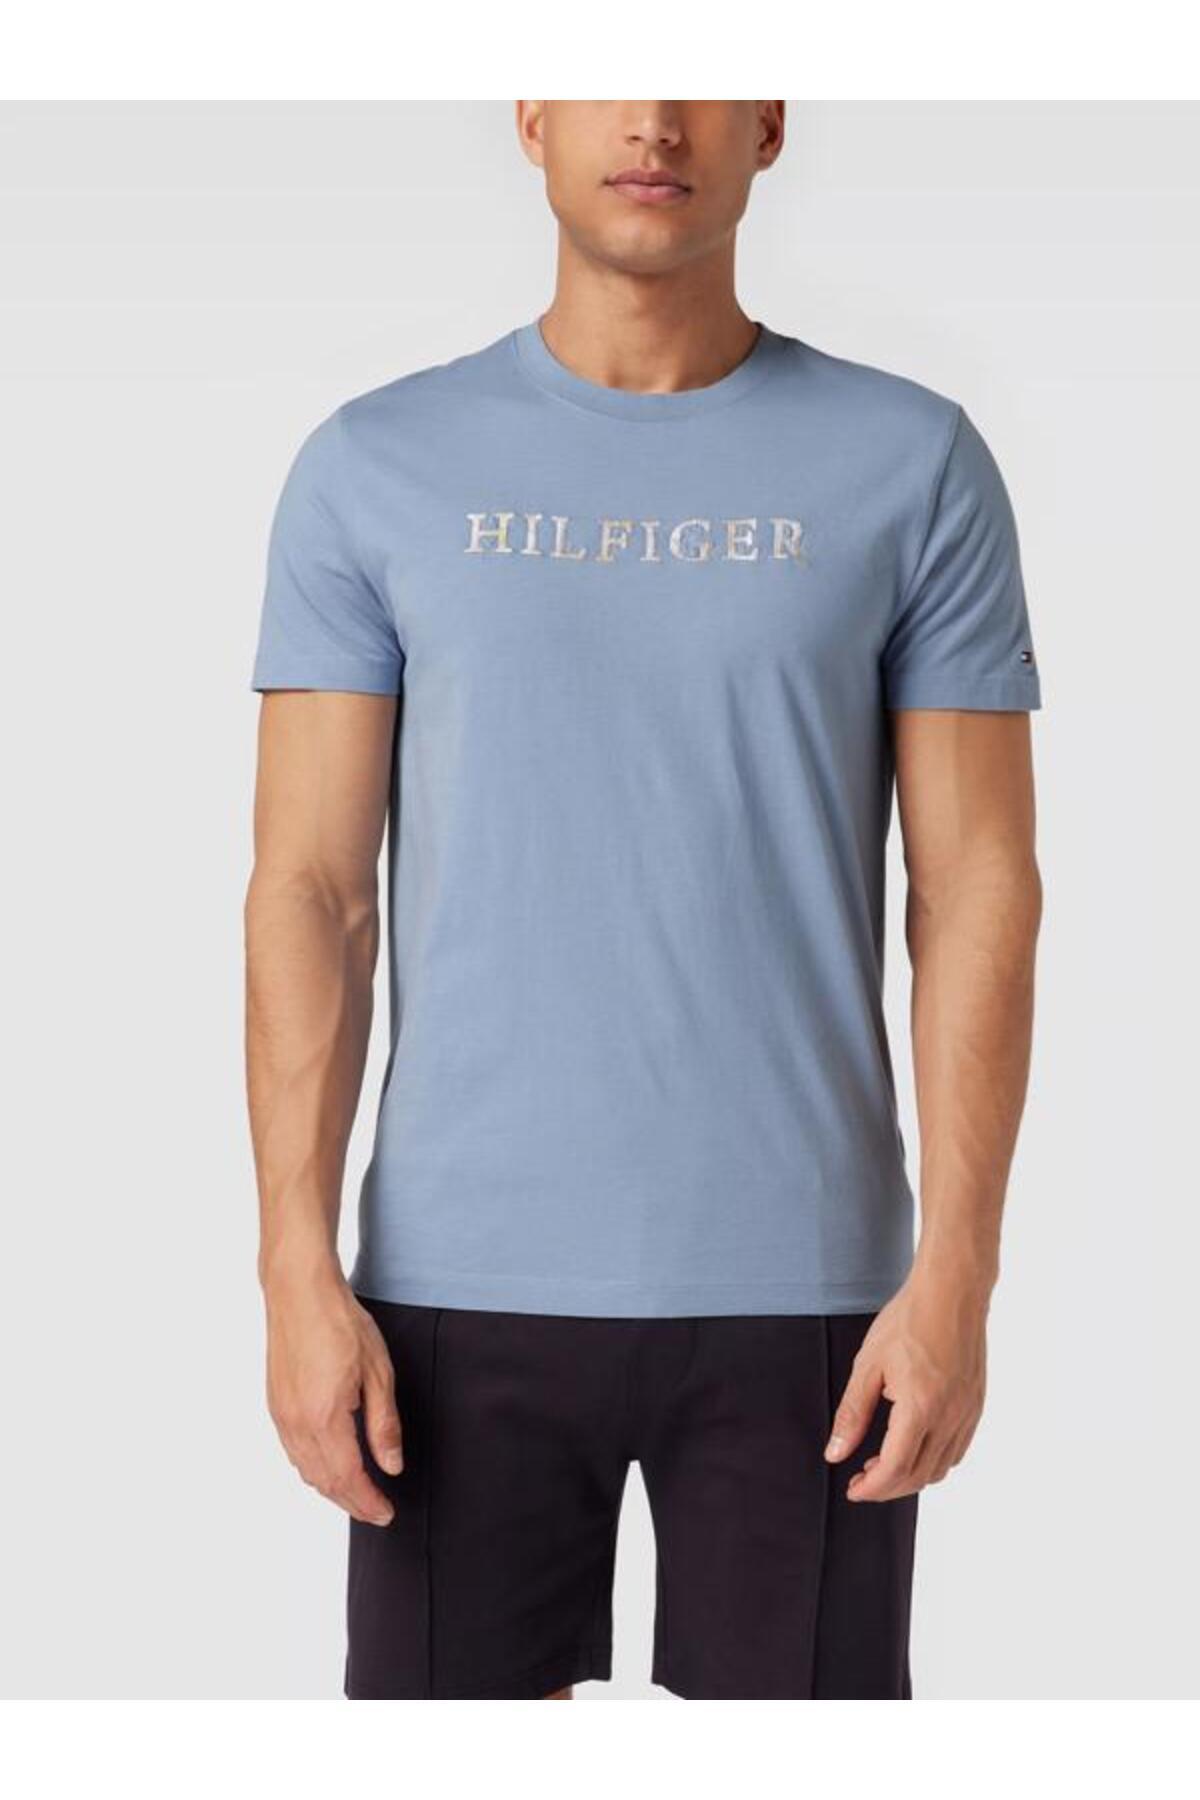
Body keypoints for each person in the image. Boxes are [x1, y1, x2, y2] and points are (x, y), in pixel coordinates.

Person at [244, 100, 1043, 1701]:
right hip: (453, 1294)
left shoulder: (912, 464)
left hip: (811, 1296)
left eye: (702, 75)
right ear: (532, 118)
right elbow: (314, 891)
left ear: (770, 127)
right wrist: (294, 1270)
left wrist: (958, 1274)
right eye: (608, 69)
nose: (656, 121)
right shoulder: (375, 467)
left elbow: (976, 886)